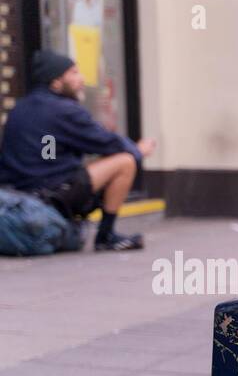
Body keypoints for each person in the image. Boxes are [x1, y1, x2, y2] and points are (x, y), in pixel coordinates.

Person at [0, 50, 155, 251]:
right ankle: (106, 236)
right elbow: (108, 143)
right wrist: (138, 150)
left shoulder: (19, 108)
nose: (81, 79)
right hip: (50, 194)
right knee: (125, 161)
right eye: (73, 73)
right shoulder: (64, 110)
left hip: (18, 195)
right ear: (55, 82)